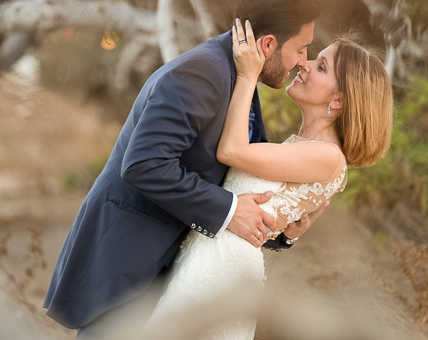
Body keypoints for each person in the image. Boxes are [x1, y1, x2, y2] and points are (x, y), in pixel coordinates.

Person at [43, 0, 322, 337]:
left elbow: (232, 184)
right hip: (131, 259)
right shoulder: (202, 73)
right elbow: (145, 164)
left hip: (176, 270)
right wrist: (232, 210)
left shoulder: (239, 80)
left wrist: (282, 232)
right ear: (268, 44)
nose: (303, 62)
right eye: (301, 49)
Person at [145, 19, 394, 339]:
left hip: (221, 269)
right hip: (207, 258)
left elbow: (232, 150)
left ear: (339, 101)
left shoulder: (329, 157)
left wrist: (249, 75)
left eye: (320, 67)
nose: (304, 64)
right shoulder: (300, 147)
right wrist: (289, 233)